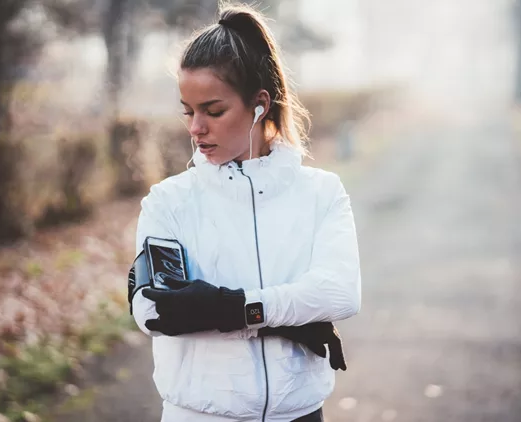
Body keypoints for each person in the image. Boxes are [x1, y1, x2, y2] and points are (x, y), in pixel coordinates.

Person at [130, 4, 362, 421]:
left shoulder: (321, 193)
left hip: (300, 415)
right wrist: (286, 319)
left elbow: (339, 293)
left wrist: (230, 308)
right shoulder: (169, 202)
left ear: (260, 104)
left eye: (213, 111)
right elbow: (155, 311)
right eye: (188, 110)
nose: (195, 128)